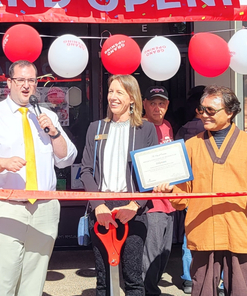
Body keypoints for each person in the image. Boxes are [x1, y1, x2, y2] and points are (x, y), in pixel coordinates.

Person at [0, 60, 77, 296]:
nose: (26, 86)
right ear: (9, 83)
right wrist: (1, 164)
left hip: (43, 210)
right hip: (3, 208)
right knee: (1, 284)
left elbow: (66, 158)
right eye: (21, 80)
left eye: (31, 81)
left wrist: (54, 133)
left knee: (32, 285)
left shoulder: (47, 116)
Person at [155, 85, 247, 296]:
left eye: (211, 110)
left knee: (242, 291)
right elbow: (182, 193)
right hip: (203, 229)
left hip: (240, 230)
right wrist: (170, 190)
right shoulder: (191, 145)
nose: (204, 115)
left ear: (230, 112)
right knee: (202, 290)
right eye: (202, 109)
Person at [80, 74, 158, 296]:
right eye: (110, 92)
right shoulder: (95, 128)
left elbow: (151, 174)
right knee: (103, 277)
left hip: (133, 207)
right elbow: (86, 170)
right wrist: (98, 205)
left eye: (119, 92)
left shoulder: (146, 129)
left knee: (133, 277)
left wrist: (135, 206)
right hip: (102, 206)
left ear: (132, 98)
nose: (112, 97)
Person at [141, 86, 176, 296]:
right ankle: (148, 291)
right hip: (151, 203)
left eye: (161, 103)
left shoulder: (168, 126)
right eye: (152, 103)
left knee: (165, 252)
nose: (157, 108)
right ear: (144, 104)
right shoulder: (140, 127)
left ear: (167, 106)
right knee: (151, 253)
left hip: (169, 201)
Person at [174, 85, 206, 294]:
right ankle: (218, 278)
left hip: (189, 189)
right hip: (210, 188)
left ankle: (188, 278)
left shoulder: (184, 129)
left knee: (189, 234)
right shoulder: (215, 131)